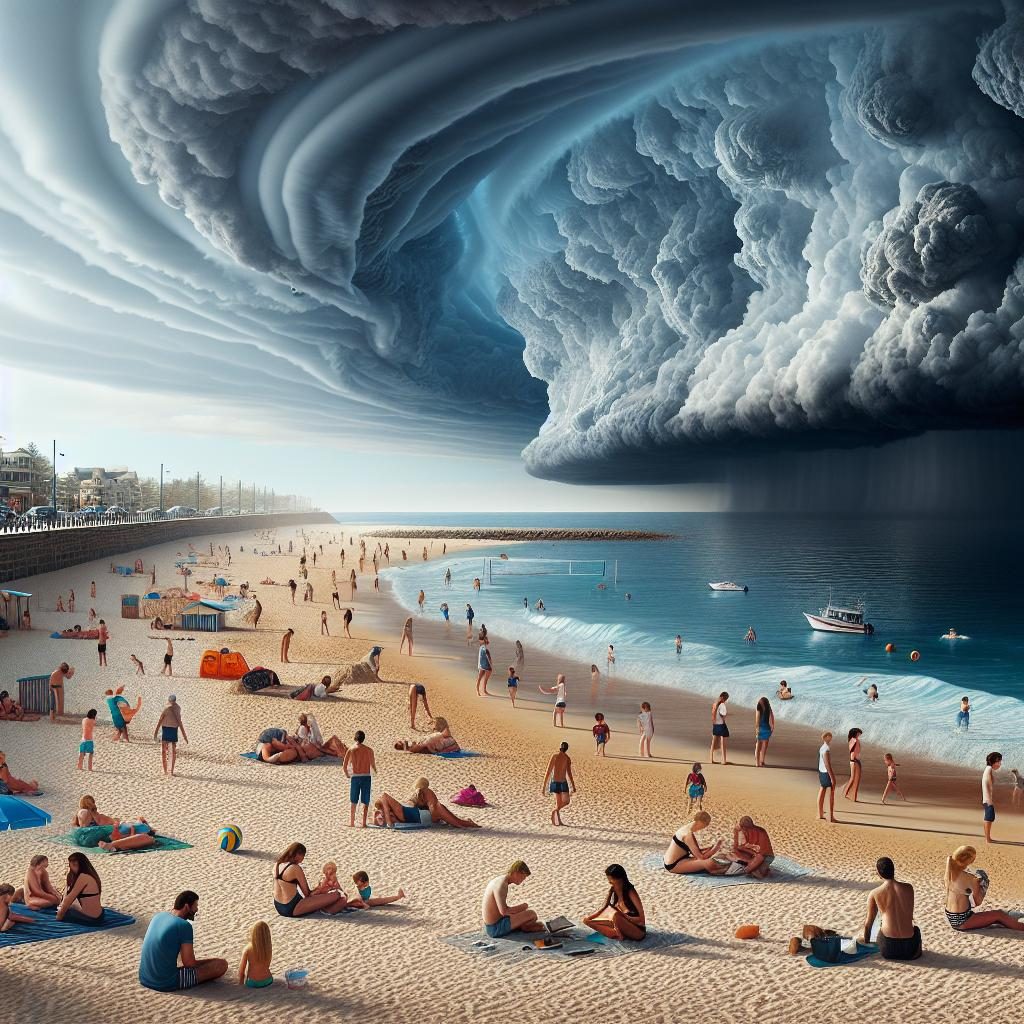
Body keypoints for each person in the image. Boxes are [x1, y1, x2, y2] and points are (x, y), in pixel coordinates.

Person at [139, 890, 229, 990]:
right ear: (187, 906)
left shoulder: (158, 916)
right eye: (195, 906)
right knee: (221, 965)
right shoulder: (184, 926)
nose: (197, 909)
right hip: (165, 982)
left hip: (144, 977)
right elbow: (189, 963)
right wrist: (212, 962)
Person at [944, 845, 1024, 931]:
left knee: (997, 915)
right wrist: (984, 885)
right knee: (999, 915)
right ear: (969, 861)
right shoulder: (970, 878)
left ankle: (1018, 914)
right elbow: (977, 902)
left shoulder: (949, 873)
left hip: (952, 917)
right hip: (963, 920)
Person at [863, 857, 921, 959]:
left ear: (878, 873)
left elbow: (868, 924)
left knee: (880, 924)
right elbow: (909, 915)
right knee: (916, 930)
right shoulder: (909, 888)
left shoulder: (875, 893)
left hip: (888, 948)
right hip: (910, 949)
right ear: (893, 870)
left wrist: (866, 942)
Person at [273, 843, 348, 917]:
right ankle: (326, 909)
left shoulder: (277, 865)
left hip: (278, 906)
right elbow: (307, 894)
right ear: (298, 854)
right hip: (291, 908)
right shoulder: (295, 868)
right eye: (303, 856)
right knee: (337, 894)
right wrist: (320, 889)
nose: (302, 860)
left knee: (323, 895)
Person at [375, 777, 480, 829]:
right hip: (425, 814)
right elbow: (384, 796)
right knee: (454, 821)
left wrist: (388, 820)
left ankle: (466, 823)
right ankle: (465, 824)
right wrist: (389, 820)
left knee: (454, 819)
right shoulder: (398, 811)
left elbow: (384, 797)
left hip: (424, 814)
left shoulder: (399, 810)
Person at [583, 864, 646, 941]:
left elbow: (642, 920)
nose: (609, 882)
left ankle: (618, 934)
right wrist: (589, 919)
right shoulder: (613, 890)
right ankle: (617, 933)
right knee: (589, 921)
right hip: (621, 924)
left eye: (611, 879)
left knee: (615, 915)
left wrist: (624, 917)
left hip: (637, 930)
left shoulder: (630, 891)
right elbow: (604, 907)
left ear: (619, 879)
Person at [481, 861, 541, 937]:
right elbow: (504, 911)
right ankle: (525, 927)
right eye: (523, 877)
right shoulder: (502, 885)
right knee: (532, 914)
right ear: (516, 872)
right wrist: (524, 906)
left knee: (526, 913)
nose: (522, 880)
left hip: (494, 923)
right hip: (495, 927)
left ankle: (523, 926)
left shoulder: (500, 880)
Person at [56, 853, 104, 925]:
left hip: (91, 918)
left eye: (71, 865)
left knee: (66, 910)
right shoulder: (92, 875)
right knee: (72, 906)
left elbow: (69, 899)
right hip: (100, 915)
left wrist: (58, 917)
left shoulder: (82, 877)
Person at [343, 731, 376, 828]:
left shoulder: (351, 749)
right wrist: (376, 772)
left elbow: (345, 766)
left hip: (356, 776)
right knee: (365, 801)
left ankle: (352, 822)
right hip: (366, 776)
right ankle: (364, 823)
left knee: (353, 801)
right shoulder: (369, 750)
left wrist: (347, 775)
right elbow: (373, 765)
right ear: (363, 738)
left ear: (355, 738)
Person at [542, 741, 575, 826]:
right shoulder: (567, 758)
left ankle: (558, 820)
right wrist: (573, 785)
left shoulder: (554, 756)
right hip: (562, 782)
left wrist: (544, 786)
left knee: (559, 802)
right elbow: (569, 773)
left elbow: (548, 772)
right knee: (566, 801)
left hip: (555, 782)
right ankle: (555, 811)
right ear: (566, 749)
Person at [154, 695, 188, 776]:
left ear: (169, 700)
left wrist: (155, 733)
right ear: (175, 700)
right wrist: (184, 736)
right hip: (173, 729)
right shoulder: (178, 708)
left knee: (164, 751)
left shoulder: (166, 708)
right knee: (172, 752)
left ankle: (166, 770)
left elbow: (160, 720)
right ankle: (171, 771)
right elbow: (180, 722)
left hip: (166, 729)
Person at [393, 716, 459, 754]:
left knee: (435, 737)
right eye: (401, 743)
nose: (402, 741)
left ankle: (444, 732)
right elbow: (422, 746)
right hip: (430, 744)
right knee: (433, 738)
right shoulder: (413, 748)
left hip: (430, 743)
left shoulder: (413, 746)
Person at [238, 921, 273, 988]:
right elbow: (267, 965)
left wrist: (241, 985)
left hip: (253, 983)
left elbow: (241, 972)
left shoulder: (248, 949)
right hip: (268, 980)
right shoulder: (268, 948)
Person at [818, 731, 837, 823]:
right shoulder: (826, 749)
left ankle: (820, 814)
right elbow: (827, 764)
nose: (831, 738)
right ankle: (831, 816)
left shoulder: (821, 747)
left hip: (821, 772)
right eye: (830, 737)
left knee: (822, 791)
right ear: (826, 737)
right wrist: (832, 777)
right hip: (826, 772)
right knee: (831, 794)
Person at [982, 751, 1001, 843]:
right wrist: (989, 800)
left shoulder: (988, 769)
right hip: (987, 799)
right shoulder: (989, 769)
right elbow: (988, 784)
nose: (1000, 764)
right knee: (989, 818)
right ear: (994, 761)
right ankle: (987, 839)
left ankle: (988, 838)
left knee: (989, 817)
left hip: (987, 798)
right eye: (999, 761)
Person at [754, 696, 774, 768]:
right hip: (767, 728)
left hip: (761, 728)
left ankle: (757, 763)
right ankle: (762, 761)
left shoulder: (759, 707)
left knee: (758, 746)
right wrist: (772, 726)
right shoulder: (768, 708)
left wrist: (757, 729)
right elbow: (772, 716)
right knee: (764, 746)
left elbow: (757, 719)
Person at [843, 727, 863, 802]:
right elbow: (853, 751)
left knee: (853, 778)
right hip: (855, 760)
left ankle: (847, 794)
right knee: (855, 779)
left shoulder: (852, 740)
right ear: (856, 733)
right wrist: (855, 760)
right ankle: (852, 796)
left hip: (853, 760)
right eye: (858, 733)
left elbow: (852, 751)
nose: (859, 734)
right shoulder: (855, 740)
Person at [709, 692, 729, 764]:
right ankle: (724, 760)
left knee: (713, 741)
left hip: (715, 724)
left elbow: (713, 713)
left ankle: (711, 759)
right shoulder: (722, 705)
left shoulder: (714, 703)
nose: (726, 700)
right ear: (723, 697)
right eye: (726, 699)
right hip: (721, 724)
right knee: (723, 742)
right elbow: (722, 715)